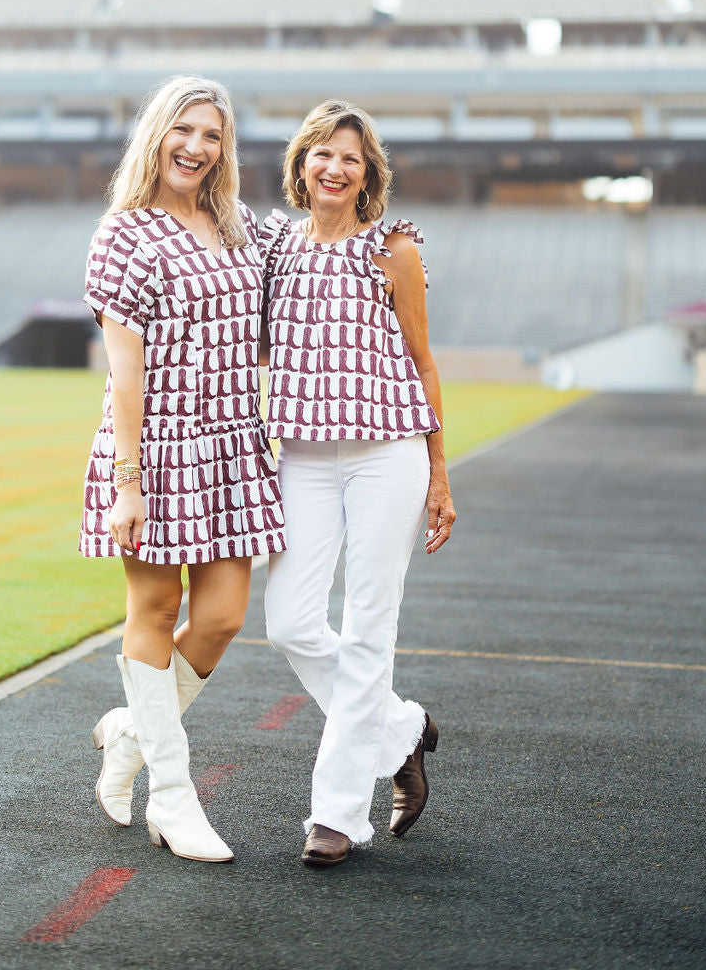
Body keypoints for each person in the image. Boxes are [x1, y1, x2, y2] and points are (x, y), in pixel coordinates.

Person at [81, 75, 286, 864]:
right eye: (185, 130)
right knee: (156, 607)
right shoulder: (124, 234)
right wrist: (128, 484)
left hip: (232, 444)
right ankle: (173, 797)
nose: (196, 147)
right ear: (157, 134)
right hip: (156, 446)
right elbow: (124, 375)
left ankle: (132, 733)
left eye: (212, 136)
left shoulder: (235, 227)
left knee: (227, 613)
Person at [261, 99, 456, 867]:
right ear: (301, 165)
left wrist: (440, 472)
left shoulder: (393, 249)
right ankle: (401, 728)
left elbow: (424, 362)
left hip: (389, 454)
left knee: (371, 626)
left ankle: (337, 817)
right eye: (322, 154)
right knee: (290, 623)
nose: (336, 168)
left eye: (351, 158)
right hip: (304, 455)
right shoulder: (275, 246)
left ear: (367, 172)